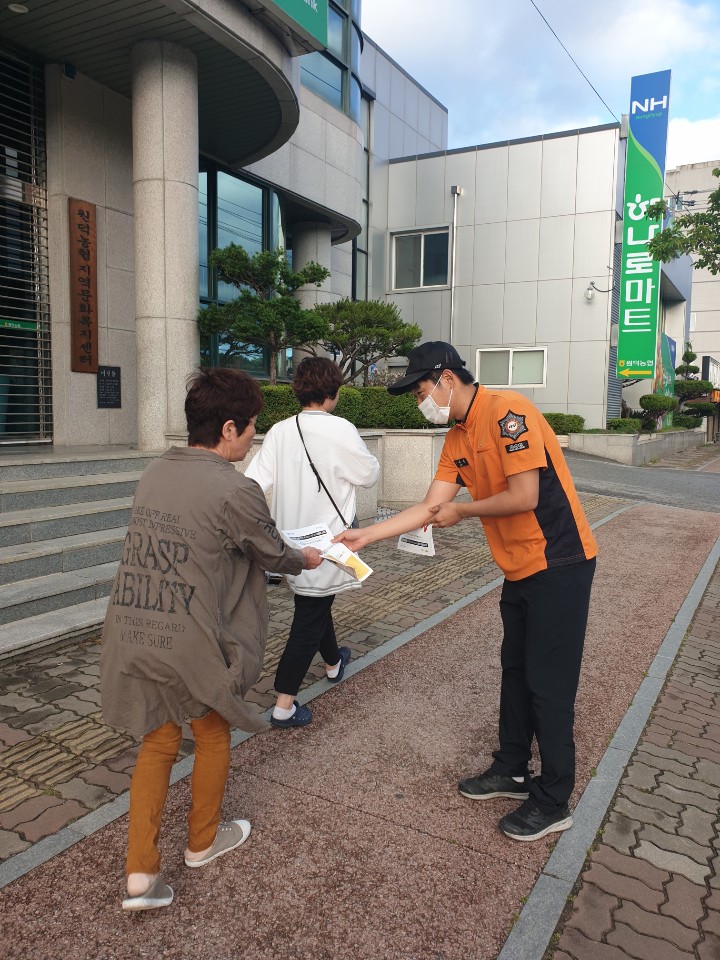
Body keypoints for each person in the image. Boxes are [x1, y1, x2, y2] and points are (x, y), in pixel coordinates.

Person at [335, 342, 597, 842]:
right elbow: (431, 507)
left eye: (420, 391)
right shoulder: (458, 435)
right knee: (516, 671)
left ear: (447, 379)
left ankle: (553, 799)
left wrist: (464, 511)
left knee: (549, 684)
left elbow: (525, 496)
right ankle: (512, 770)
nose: (420, 402)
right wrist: (366, 535)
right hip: (518, 568)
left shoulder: (509, 412)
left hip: (559, 562)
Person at [100, 368, 323, 911]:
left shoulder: (155, 470)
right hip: (192, 637)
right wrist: (310, 557)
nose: (253, 438)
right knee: (212, 730)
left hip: (134, 625)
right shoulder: (235, 489)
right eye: (252, 427)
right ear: (228, 428)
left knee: (157, 741)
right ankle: (202, 841)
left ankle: (140, 873)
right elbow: (273, 553)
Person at [245, 357, 379, 728]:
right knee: (309, 616)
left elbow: (253, 482)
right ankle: (283, 704)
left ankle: (334, 661)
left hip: (289, 543)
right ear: (333, 391)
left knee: (316, 602)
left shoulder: (279, 431)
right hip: (329, 543)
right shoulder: (341, 428)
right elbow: (368, 475)